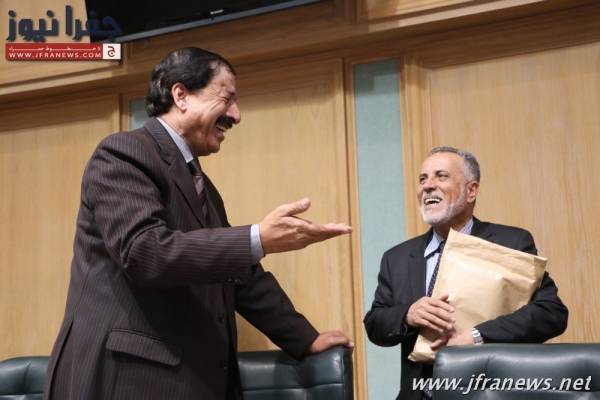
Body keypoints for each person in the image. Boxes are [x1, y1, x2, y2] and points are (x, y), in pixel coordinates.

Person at [44, 47, 354, 400]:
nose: (236, 115)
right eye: (227, 98)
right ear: (181, 95)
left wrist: (305, 338)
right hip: (127, 381)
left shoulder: (204, 188)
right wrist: (256, 238)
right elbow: (144, 252)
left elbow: (239, 277)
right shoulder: (123, 153)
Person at [363, 146, 568, 400]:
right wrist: (408, 314)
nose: (428, 186)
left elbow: (551, 313)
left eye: (441, 176)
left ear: (471, 191)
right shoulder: (397, 258)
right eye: (423, 179)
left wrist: (476, 337)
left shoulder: (511, 243)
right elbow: (375, 324)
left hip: (491, 392)